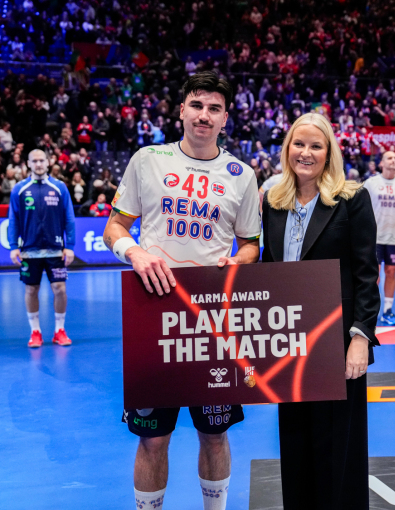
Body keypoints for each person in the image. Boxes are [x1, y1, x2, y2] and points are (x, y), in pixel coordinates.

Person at [103, 72, 261, 510]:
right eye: (196, 105)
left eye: (214, 108)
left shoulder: (241, 174)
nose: (203, 115)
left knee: (215, 433)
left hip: (212, 321)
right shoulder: (147, 158)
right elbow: (115, 225)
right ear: (181, 110)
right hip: (154, 317)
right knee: (152, 439)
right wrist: (135, 253)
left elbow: (250, 244)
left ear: (226, 118)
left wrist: (240, 261)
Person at [261, 112, 380, 509]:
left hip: (336, 341)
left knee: (338, 449)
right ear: (287, 149)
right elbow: (268, 269)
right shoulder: (273, 201)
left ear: (329, 152)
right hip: (288, 342)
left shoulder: (351, 198)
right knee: (294, 441)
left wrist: (360, 337)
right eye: (299, 144)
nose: (306, 153)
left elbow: (366, 274)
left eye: (316, 145)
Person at [8, 149, 76, 348]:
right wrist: (13, 246)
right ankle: (35, 331)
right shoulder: (19, 189)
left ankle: (59, 330)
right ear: (28, 163)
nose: (38, 164)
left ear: (48, 162)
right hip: (29, 250)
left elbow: (69, 218)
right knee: (31, 290)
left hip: (56, 250)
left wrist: (69, 246)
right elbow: (14, 220)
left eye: (42, 160)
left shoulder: (59, 187)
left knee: (60, 289)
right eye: (34, 161)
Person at [363, 150, 395, 324]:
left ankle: (387, 311)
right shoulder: (371, 183)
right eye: (389, 158)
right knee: (374, 275)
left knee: (391, 272)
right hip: (374, 238)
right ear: (381, 163)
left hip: (394, 238)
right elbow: (362, 209)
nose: (393, 160)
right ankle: (369, 311)